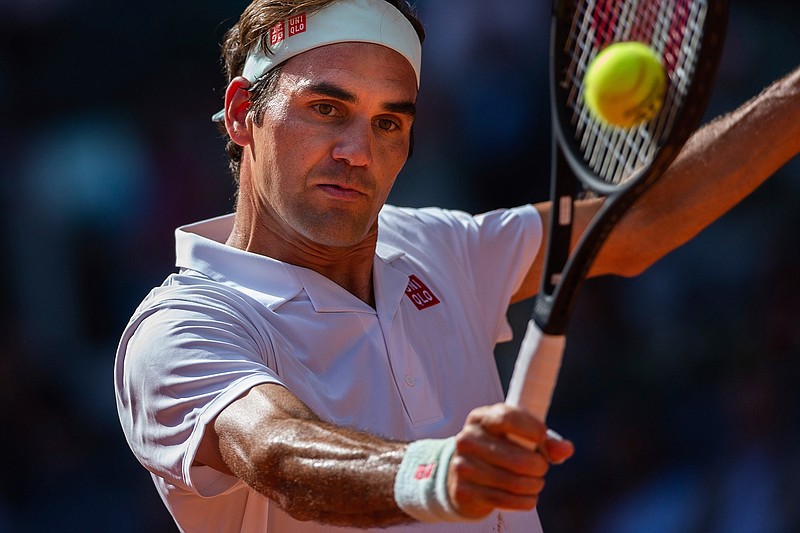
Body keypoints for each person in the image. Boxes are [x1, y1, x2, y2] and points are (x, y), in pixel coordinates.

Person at [114, 0, 800, 531]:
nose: (358, 149)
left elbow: (644, 221)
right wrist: (435, 472)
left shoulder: (442, 247)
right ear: (242, 114)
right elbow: (277, 451)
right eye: (327, 108)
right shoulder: (181, 326)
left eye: (390, 122)